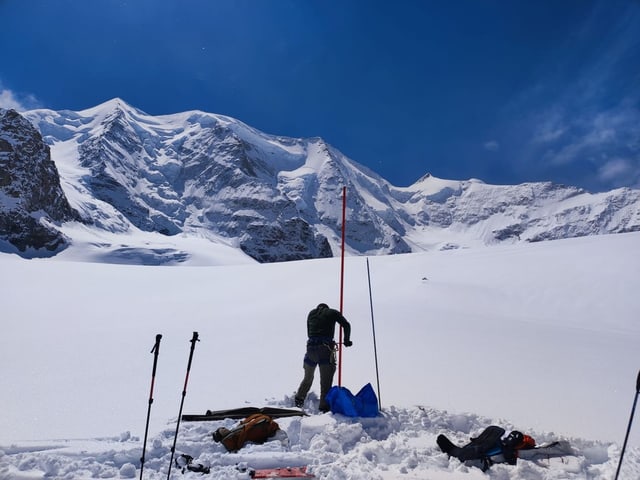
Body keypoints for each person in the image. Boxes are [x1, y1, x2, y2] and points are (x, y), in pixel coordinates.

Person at [294, 303, 352, 412]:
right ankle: (324, 408)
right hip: (325, 350)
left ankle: (299, 400)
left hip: (311, 350)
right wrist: (346, 340)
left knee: (308, 377)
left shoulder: (311, 313)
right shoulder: (332, 312)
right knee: (325, 382)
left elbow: (309, 333)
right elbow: (346, 325)